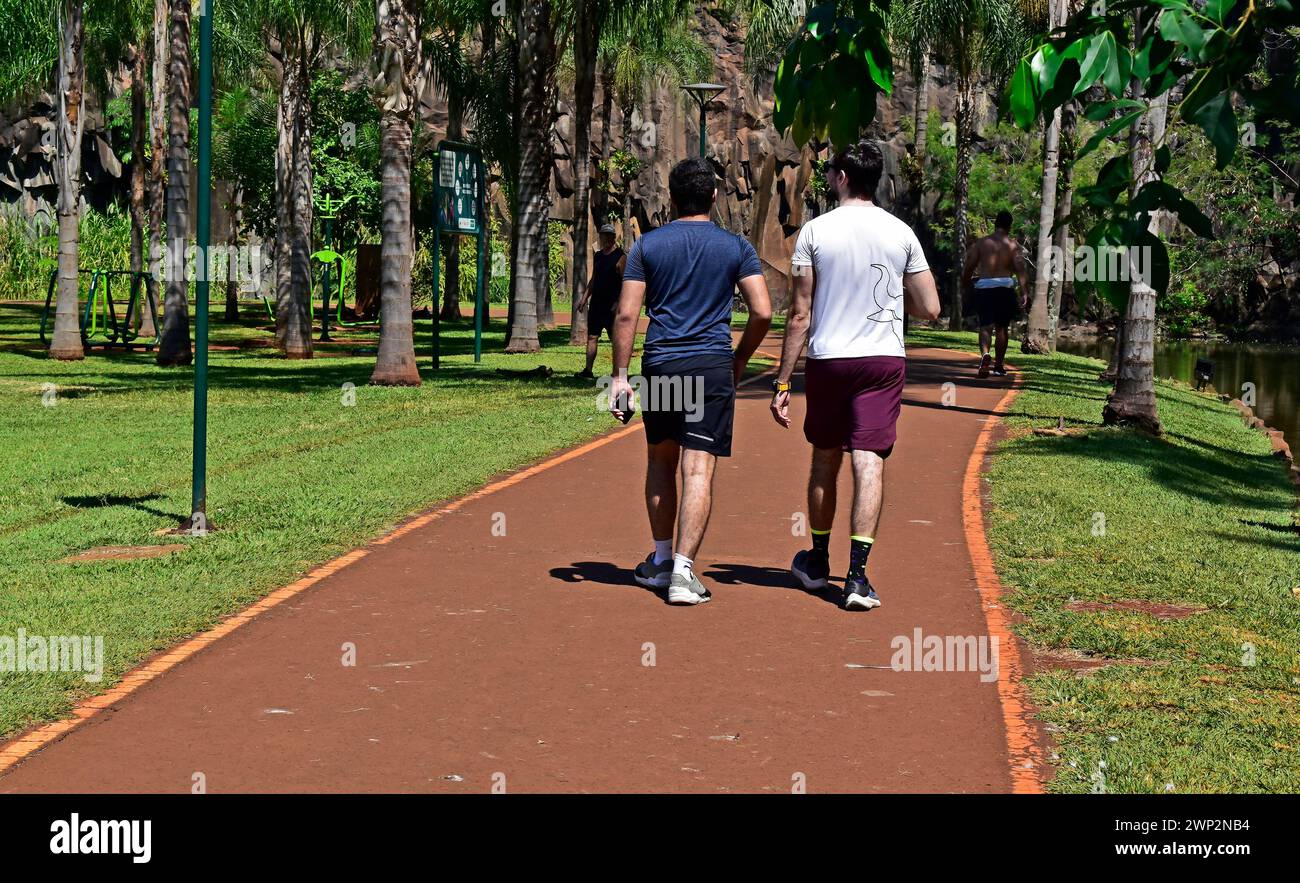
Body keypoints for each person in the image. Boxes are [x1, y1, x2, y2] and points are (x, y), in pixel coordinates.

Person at [770, 140, 940, 611]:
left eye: (830, 171)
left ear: (843, 177)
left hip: (829, 361)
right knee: (870, 461)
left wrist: (783, 381)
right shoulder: (901, 233)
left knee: (826, 458)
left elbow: (799, 314)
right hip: (883, 360)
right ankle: (858, 579)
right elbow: (930, 307)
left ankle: (819, 560)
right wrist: (885, 301)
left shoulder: (814, 232)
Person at [609, 157, 772, 605]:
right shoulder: (736, 247)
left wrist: (620, 377)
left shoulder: (648, 247)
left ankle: (661, 561)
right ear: (715, 196)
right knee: (698, 465)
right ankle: (683, 572)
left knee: (661, 461)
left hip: (662, 363)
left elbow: (626, 313)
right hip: (711, 366)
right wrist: (740, 359)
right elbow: (762, 311)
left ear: (671, 197)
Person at [961, 210, 1029, 378]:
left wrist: (965, 283)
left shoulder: (982, 243)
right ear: (1010, 226)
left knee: (985, 326)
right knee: (1002, 328)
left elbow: (970, 265)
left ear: (995, 223)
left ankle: (985, 354)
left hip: (985, 288)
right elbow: (1020, 269)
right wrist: (1024, 292)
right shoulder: (1013, 246)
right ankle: (998, 365)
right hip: (1005, 289)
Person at [575, 224, 625, 379]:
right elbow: (594, 279)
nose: (606, 238)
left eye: (609, 235)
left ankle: (617, 373)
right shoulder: (598, 256)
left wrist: (618, 302)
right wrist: (584, 298)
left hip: (612, 306)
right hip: (596, 304)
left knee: (615, 340)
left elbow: (625, 282)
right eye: (603, 235)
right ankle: (588, 371)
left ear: (613, 237)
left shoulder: (621, 256)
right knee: (592, 337)